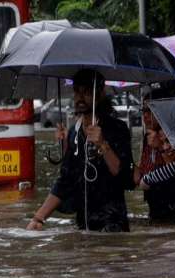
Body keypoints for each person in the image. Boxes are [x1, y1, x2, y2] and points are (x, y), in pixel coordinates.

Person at [27, 69, 133, 232]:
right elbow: (65, 180)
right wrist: (38, 218)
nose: (80, 97)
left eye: (87, 92)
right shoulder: (73, 133)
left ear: (100, 93)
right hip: (83, 224)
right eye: (77, 91)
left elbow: (125, 176)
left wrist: (103, 145)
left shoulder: (117, 129)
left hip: (113, 226)